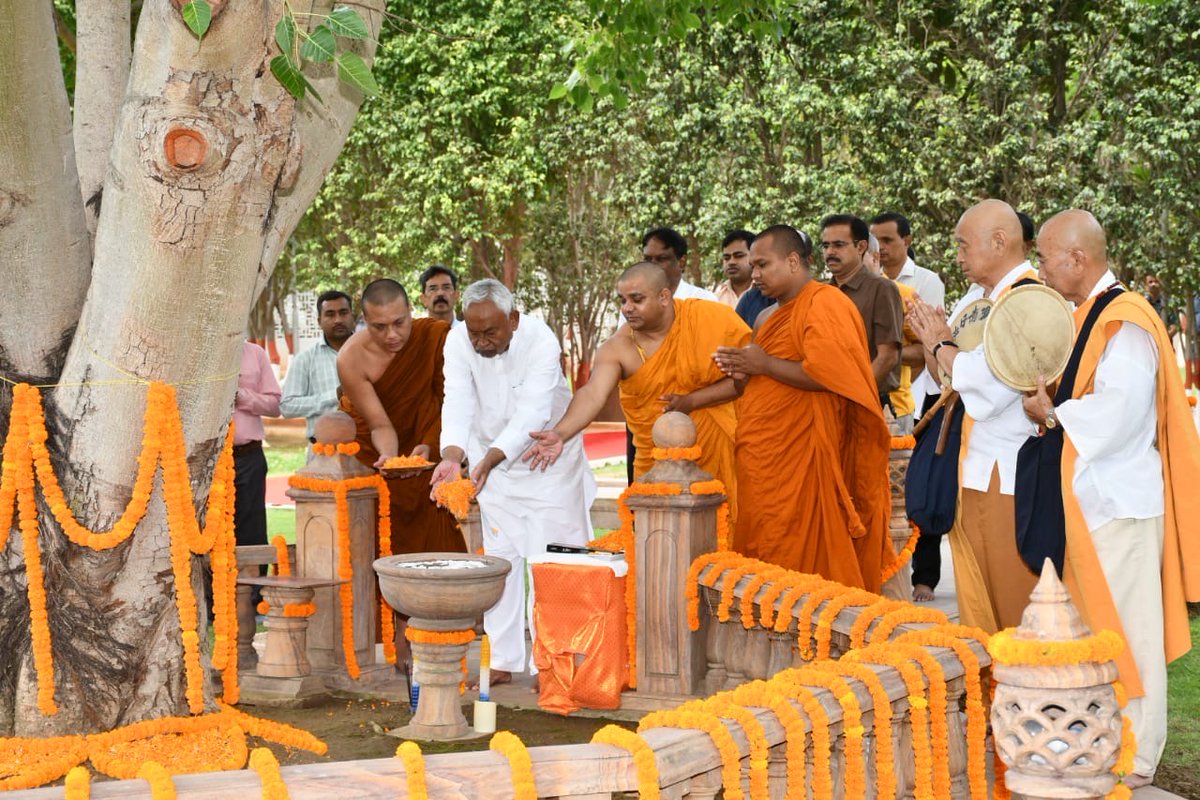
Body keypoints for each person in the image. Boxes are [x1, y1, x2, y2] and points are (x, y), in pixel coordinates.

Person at [1021, 209, 1200, 787]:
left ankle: (1138, 752)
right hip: (1092, 501)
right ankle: (1096, 739)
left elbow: (1121, 412)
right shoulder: (1083, 316)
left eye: (1046, 258)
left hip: (1119, 503)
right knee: (1094, 630)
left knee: (1130, 631)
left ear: (1077, 258)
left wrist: (1053, 411)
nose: (1042, 269)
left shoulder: (1124, 319)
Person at [433, 279, 594, 684]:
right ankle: (503, 659)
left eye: (491, 332)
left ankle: (553, 660)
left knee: (552, 563)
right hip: (493, 469)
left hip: (548, 465)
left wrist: (487, 459)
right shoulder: (457, 341)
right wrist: (453, 454)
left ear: (514, 320)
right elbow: (458, 399)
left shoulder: (540, 341)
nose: (482, 342)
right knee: (501, 562)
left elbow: (534, 412)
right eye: (475, 333)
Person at [714, 225, 891, 592]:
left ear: (793, 261)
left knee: (808, 551)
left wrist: (762, 365)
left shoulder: (827, 304)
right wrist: (742, 370)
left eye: (763, 265)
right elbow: (759, 378)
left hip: (806, 450)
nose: (755, 274)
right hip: (762, 453)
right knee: (763, 539)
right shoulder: (764, 317)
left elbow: (830, 375)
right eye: (753, 266)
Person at [907, 199, 1040, 633]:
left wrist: (942, 343)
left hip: (1009, 474)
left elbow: (987, 388)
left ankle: (1025, 693)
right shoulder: (978, 299)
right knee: (977, 606)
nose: (959, 257)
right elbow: (946, 379)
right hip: (971, 467)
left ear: (999, 242)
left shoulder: (1029, 301)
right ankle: (991, 694)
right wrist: (934, 343)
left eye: (964, 246)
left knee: (1012, 603)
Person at [524, 262, 750, 516]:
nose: (627, 308)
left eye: (637, 299)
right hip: (655, 465)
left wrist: (693, 401)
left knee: (725, 536)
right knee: (656, 542)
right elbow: (592, 393)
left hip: (720, 451)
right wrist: (560, 433)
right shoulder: (618, 347)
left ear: (664, 297)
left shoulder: (710, 319)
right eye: (622, 300)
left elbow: (747, 377)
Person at [337, 278, 463, 554]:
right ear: (364, 320)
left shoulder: (434, 337)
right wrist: (392, 460)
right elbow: (379, 423)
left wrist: (430, 444)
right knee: (385, 545)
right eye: (379, 327)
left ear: (410, 309)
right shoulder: (351, 358)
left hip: (431, 452)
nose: (391, 335)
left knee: (440, 549)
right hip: (379, 462)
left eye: (399, 322)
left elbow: (453, 402)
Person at [821, 214, 904, 401]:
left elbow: (888, 356)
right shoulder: (821, 292)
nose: (830, 252)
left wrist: (855, 394)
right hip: (828, 400)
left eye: (838, 245)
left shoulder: (882, 289)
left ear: (861, 247)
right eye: (826, 246)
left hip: (868, 399)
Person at [280, 290, 354, 454]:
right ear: (319, 321)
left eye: (343, 313)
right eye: (330, 314)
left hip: (367, 450)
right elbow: (287, 406)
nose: (338, 320)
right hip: (322, 453)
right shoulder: (305, 359)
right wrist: (333, 396)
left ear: (352, 316)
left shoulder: (371, 353)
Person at [864, 235, 919, 434]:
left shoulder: (904, 294)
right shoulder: (835, 296)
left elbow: (925, 351)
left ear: (874, 257)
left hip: (895, 407)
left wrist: (888, 353)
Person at [232, 340, 281, 548]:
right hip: (208, 460)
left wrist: (242, 396)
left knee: (252, 529)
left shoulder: (254, 353)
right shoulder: (198, 351)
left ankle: (254, 581)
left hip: (248, 456)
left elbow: (274, 406)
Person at [641, 227, 718, 301]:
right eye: (647, 259)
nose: (652, 265)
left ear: (682, 262)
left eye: (661, 259)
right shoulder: (634, 303)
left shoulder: (704, 300)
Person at [715, 229, 755, 308]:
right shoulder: (717, 296)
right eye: (726, 258)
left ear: (754, 256)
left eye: (739, 256)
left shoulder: (767, 293)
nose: (731, 262)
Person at [1143, 273, 1180, 339]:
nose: (1153, 284)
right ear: (1146, 285)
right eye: (1150, 282)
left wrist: (1164, 339)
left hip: (1164, 343)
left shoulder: (1168, 303)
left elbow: (1175, 326)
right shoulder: (1142, 303)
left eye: (1156, 282)